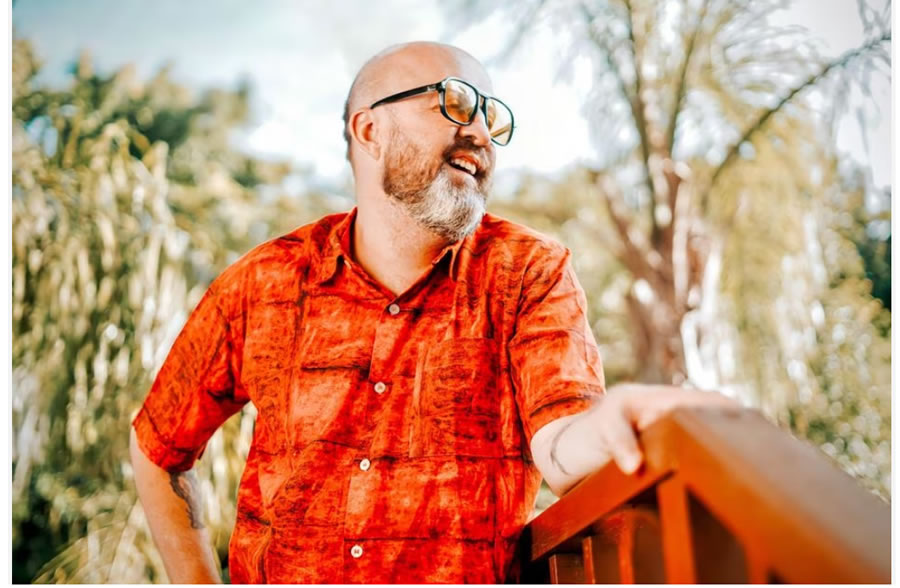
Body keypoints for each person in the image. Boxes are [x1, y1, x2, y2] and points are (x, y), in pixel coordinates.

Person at [130, 41, 737, 584]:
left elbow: (560, 443)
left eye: (492, 119)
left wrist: (609, 424)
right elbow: (158, 446)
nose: (482, 134)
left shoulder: (527, 270)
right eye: (455, 102)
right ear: (369, 129)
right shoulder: (265, 280)